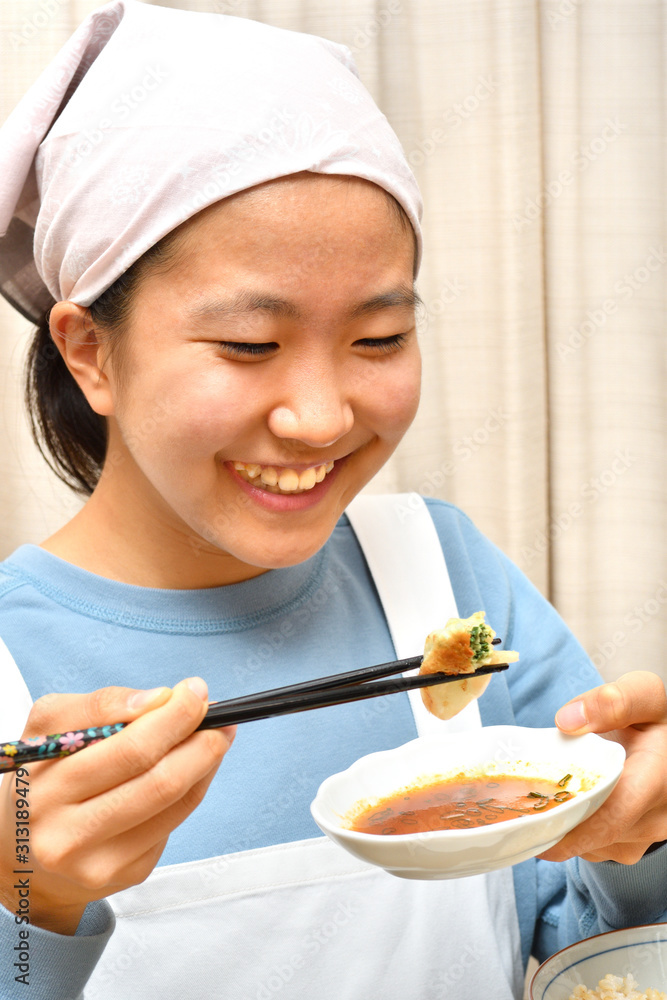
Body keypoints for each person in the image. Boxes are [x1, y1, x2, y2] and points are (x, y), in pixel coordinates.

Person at [0, 2, 665, 998]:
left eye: (379, 338)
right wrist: (30, 909)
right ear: (90, 349)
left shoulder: (441, 574)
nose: (319, 417)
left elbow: (584, 933)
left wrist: (642, 831)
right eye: (249, 345)